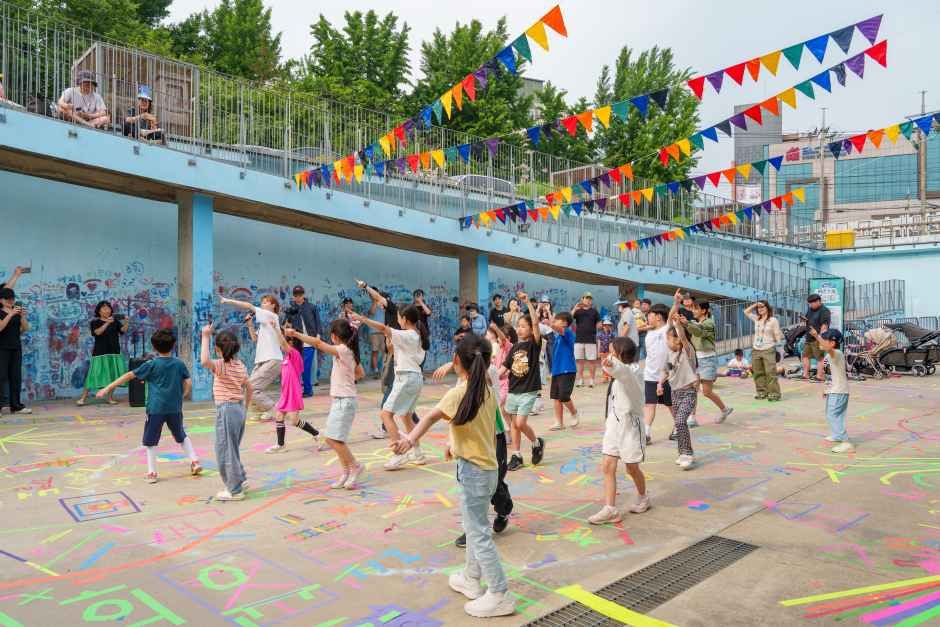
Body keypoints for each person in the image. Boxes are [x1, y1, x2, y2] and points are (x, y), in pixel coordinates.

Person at [391, 333, 515, 618]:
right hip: (487, 469)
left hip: (475, 471)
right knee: (476, 528)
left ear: (457, 361)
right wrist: (453, 443)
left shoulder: (460, 392)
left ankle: (499, 593)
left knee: (479, 533)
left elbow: (430, 417)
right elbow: (475, 426)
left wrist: (409, 440)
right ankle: (471, 578)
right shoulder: (483, 388)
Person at [432, 336, 513, 549]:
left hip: (493, 435)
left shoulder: (489, 374)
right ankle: (473, 530)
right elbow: (460, 416)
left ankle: (503, 509)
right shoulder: (462, 382)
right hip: (472, 438)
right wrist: (451, 442)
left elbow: (482, 375)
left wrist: (453, 364)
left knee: (494, 483)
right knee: (470, 485)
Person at [97, 329, 201, 483]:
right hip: (175, 408)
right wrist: (183, 395)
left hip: (156, 409)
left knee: (150, 441)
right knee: (181, 435)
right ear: (172, 346)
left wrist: (107, 388)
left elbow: (129, 376)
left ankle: (152, 473)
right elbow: (188, 382)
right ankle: (194, 461)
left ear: (154, 347)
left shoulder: (151, 364)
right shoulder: (179, 364)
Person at [287, 319, 367, 488]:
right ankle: (346, 471)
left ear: (335, 336)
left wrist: (295, 334)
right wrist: (347, 378)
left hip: (344, 401)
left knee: (334, 439)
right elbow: (360, 373)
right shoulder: (348, 351)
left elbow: (316, 343)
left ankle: (355, 466)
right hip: (340, 400)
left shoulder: (343, 350)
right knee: (332, 439)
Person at [352, 304, 429, 470]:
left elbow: (382, 328)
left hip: (406, 378)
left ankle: (398, 455)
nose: (397, 320)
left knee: (385, 414)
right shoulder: (415, 335)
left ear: (405, 319)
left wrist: (362, 319)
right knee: (406, 416)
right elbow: (393, 349)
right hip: (413, 377)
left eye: (399, 317)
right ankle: (417, 453)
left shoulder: (408, 334)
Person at [589, 337, 649, 524]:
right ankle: (610, 509)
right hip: (614, 424)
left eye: (611, 351)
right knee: (608, 464)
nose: (608, 354)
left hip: (631, 427)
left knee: (632, 467)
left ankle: (643, 496)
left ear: (620, 354)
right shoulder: (620, 373)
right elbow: (616, 372)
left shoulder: (634, 372)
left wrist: (611, 363)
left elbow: (622, 372)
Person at [199, 324, 251, 501]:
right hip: (238, 408)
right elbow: (248, 387)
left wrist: (205, 335)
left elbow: (205, 361)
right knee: (232, 447)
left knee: (224, 450)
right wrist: (245, 407)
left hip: (227, 409)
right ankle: (240, 479)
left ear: (218, 349)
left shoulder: (221, 365)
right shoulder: (241, 365)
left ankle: (234, 490)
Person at [501, 292, 545, 471]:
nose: (519, 329)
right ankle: (516, 455)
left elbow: (535, 322)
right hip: (513, 391)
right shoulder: (514, 349)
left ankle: (536, 443)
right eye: (518, 326)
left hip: (528, 390)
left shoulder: (534, 344)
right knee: (514, 425)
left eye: (523, 326)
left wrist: (528, 303)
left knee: (519, 423)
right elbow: (504, 370)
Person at [222, 294, 283, 420]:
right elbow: (254, 338)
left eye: (266, 302)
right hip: (262, 360)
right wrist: (250, 324)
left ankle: (273, 409)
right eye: (262, 302)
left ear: (273, 306)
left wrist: (227, 300)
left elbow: (249, 305)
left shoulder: (272, 316)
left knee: (253, 388)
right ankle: (260, 411)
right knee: (248, 388)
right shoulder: (264, 324)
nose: (263, 304)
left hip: (272, 359)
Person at [264, 322, 321, 453]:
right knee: (279, 416)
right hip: (286, 392)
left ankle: (317, 435)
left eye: (287, 339)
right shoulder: (287, 357)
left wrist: (277, 329)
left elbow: (283, 345)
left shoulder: (295, 354)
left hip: (293, 392)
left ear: (292, 342)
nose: (283, 343)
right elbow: (283, 345)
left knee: (294, 421)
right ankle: (280, 445)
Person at [682, 300, 733, 426]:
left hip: (708, 359)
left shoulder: (709, 323)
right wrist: (683, 322)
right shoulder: (696, 322)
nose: (693, 311)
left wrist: (687, 323)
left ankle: (724, 409)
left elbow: (699, 331)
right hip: (697, 360)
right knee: (693, 389)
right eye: (692, 309)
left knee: (706, 392)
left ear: (703, 310)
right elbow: (693, 329)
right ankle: (692, 418)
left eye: (695, 309)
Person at [661, 300, 698, 470]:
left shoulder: (687, 351)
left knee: (681, 421)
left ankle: (687, 453)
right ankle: (681, 452)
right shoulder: (669, 354)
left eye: (672, 340)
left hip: (688, 393)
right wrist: (660, 384)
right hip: (675, 392)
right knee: (678, 423)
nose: (670, 342)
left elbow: (681, 336)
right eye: (669, 339)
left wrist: (677, 324)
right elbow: (666, 371)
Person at [809, 327, 854, 453]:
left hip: (839, 391)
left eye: (823, 340)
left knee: (834, 415)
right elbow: (830, 375)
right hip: (833, 390)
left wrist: (817, 335)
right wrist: (826, 389)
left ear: (832, 343)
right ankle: (837, 434)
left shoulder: (837, 353)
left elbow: (829, 349)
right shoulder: (828, 355)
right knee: (830, 415)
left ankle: (846, 442)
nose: (820, 342)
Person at [77, 300, 129, 406]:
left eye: (108, 308)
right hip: (100, 353)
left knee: (112, 375)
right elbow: (97, 332)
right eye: (104, 308)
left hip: (114, 352)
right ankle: (83, 398)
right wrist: (107, 323)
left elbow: (123, 331)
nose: (107, 310)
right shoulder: (95, 322)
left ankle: (109, 398)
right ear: (99, 311)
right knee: (93, 375)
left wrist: (127, 322)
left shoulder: (115, 322)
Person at [642, 302, 673, 444]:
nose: (648, 317)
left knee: (671, 404)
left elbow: (671, 315)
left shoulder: (667, 329)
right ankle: (646, 433)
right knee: (649, 404)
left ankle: (679, 427)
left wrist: (677, 303)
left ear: (659, 317)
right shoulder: (649, 333)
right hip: (650, 375)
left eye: (650, 315)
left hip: (666, 375)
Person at [284, 286, 322, 398]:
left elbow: (318, 323)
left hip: (309, 342)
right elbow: (285, 325)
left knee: (306, 368)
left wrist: (318, 336)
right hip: (296, 342)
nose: (298, 297)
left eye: (300, 295)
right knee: (295, 368)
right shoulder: (291, 309)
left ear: (303, 294)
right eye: (295, 295)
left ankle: (308, 390)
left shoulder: (312, 307)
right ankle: (296, 390)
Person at [744, 300, 784, 402]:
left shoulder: (773, 320)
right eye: (759, 308)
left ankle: (774, 394)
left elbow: (777, 334)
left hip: (768, 349)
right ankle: (762, 392)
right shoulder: (757, 318)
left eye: (763, 307)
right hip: (756, 349)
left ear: (767, 308)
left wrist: (779, 348)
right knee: (757, 372)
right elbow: (746, 312)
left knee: (770, 372)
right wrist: (755, 304)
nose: (760, 309)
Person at [0, 288, 30, 415]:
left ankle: (16, 405)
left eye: (12, 298)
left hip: (16, 347)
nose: (11, 301)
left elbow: (25, 329)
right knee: (2, 377)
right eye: (8, 299)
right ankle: (2, 405)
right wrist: (11, 314)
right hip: (2, 348)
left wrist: (22, 317)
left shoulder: (16, 312)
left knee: (15, 377)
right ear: (1, 300)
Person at [548, 311, 579, 430]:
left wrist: (548, 314)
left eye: (557, 320)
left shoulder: (568, 332)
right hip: (556, 370)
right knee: (556, 397)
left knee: (564, 396)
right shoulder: (557, 336)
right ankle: (559, 423)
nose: (555, 322)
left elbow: (554, 326)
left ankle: (574, 412)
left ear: (565, 323)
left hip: (567, 369)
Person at [571, 292, 601, 388]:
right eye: (586, 298)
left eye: (590, 299)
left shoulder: (594, 311)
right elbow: (570, 319)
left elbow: (599, 323)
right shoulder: (578, 311)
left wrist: (599, 326)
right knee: (579, 361)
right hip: (579, 339)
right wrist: (575, 308)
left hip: (591, 339)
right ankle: (580, 380)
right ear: (582, 299)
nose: (588, 300)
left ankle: (592, 380)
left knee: (592, 361)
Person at [802, 294, 831, 383]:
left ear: (818, 301)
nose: (810, 305)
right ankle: (805, 374)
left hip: (817, 337)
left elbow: (824, 325)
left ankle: (820, 376)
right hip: (809, 336)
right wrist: (804, 320)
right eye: (809, 303)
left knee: (819, 357)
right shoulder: (810, 309)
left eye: (812, 303)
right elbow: (808, 319)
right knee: (805, 356)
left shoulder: (824, 311)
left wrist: (820, 337)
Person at [368, 297, 386, 378]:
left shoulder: (383, 304)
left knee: (385, 351)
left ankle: (383, 370)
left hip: (383, 331)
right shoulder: (370, 304)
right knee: (375, 351)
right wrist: (375, 302)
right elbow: (372, 312)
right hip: (373, 332)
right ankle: (375, 371)